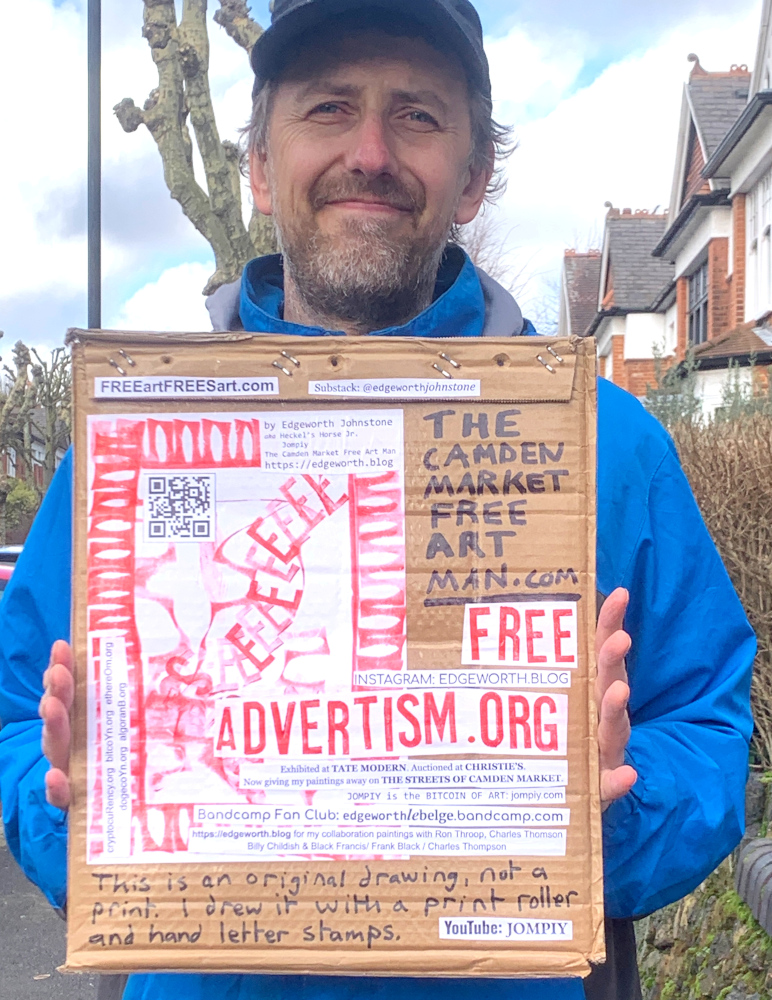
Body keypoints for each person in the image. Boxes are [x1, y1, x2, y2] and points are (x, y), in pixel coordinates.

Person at [0, 1, 755, 998]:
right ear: (259, 166)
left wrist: (603, 813)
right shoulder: (129, 447)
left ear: (473, 175)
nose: (369, 153)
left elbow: (705, 725)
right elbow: (17, 716)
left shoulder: (607, 442)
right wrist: (75, 808)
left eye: (416, 115)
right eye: (328, 107)